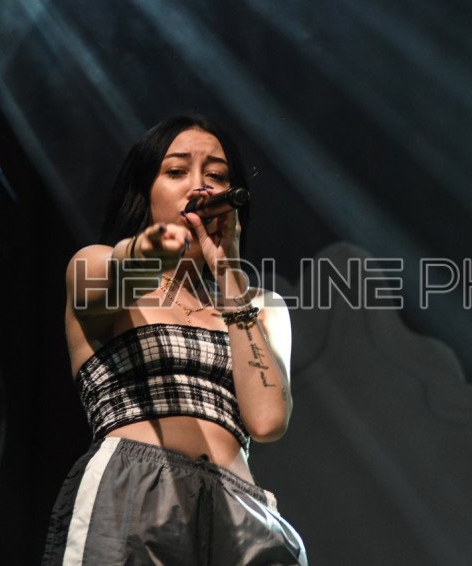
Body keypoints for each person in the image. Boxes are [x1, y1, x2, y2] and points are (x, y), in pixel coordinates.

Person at [42, 115, 307, 565]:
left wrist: (229, 275)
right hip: (136, 489)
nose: (200, 186)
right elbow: (113, 278)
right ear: (146, 191)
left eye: (216, 175)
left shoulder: (261, 305)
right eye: (177, 171)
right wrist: (151, 250)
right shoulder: (95, 262)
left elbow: (267, 421)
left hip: (242, 514)